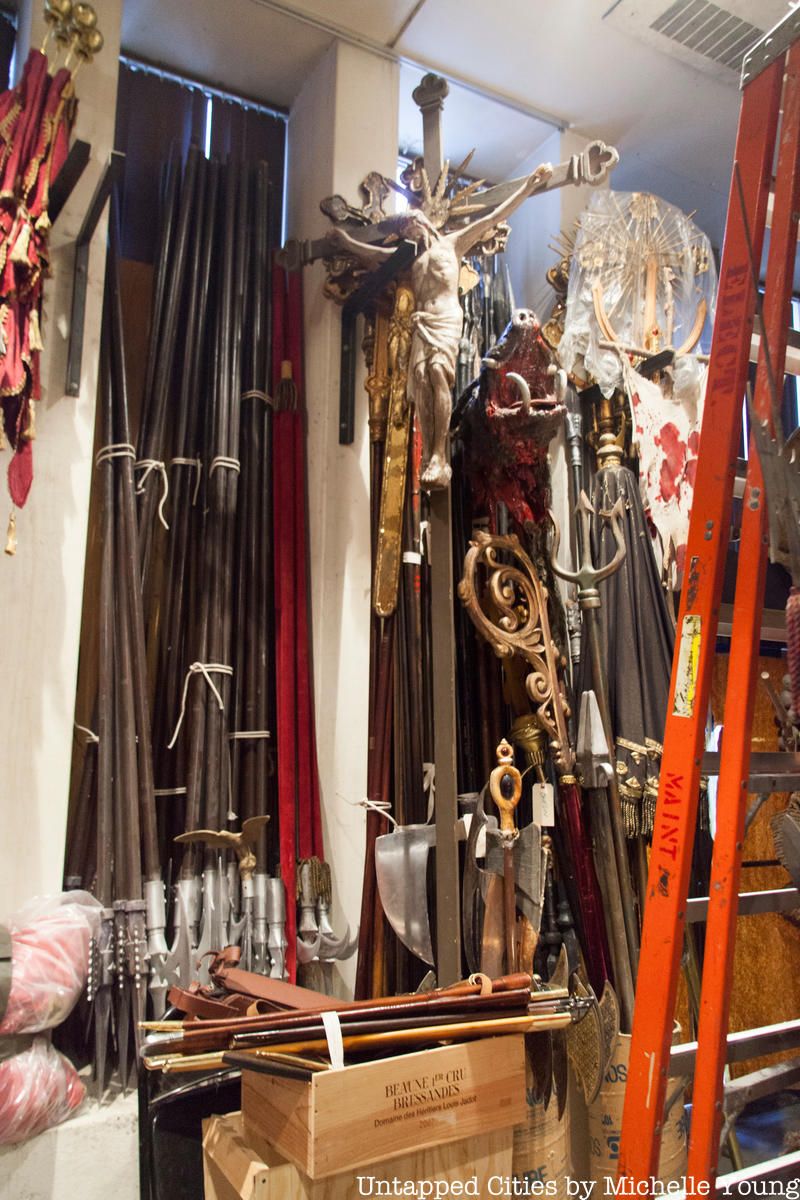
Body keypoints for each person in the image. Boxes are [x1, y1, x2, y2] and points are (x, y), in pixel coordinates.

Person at [328, 163, 552, 490]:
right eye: (405, 231)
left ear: (421, 222)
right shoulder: (409, 259)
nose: (409, 235)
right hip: (422, 321)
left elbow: (494, 217)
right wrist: (346, 241)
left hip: (445, 319)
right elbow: (374, 256)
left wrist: (530, 184)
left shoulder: (453, 244)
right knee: (420, 378)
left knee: (436, 371)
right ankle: (428, 457)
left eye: (410, 228)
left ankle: (439, 454)